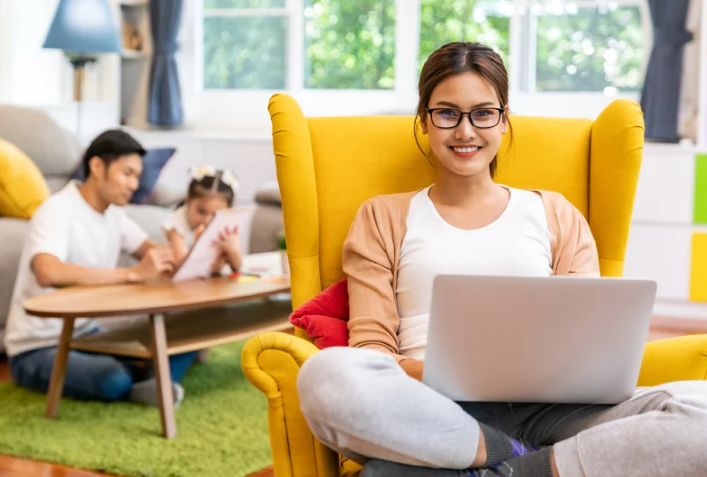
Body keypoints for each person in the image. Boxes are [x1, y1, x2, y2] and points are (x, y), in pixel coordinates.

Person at [295, 42, 707, 477]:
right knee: (325, 377)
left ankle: (513, 468)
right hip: (431, 410)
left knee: (700, 411)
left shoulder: (556, 213)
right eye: (447, 113)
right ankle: (502, 450)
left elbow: (589, 345)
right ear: (424, 120)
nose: (466, 132)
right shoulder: (382, 216)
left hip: (554, 411)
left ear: (504, 118)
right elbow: (371, 350)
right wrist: (451, 377)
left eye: (483, 113)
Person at [5, 129, 197, 407]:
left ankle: (149, 379)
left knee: (189, 333)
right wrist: (131, 274)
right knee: (112, 378)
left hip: (86, 335)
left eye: (137, 176)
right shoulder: (57, 210)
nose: (134, 184)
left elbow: (155, 254)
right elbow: (48, 271)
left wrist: (196, 250)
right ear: (97, 167)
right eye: (127, 173)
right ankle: (148, 379)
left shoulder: (115, 214)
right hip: (38, 347)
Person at [163, 166, 242, 274]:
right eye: (201, 211)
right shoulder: (177, 225)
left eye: (216, 214)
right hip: (180, 285)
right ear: (188, 201)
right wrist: (197, 245)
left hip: (213, 284)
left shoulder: (225, 227)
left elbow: (237, 267)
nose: (207, 220)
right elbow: (181, 269)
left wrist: (232, 250)